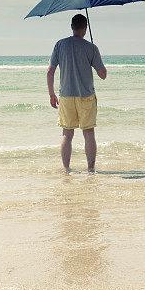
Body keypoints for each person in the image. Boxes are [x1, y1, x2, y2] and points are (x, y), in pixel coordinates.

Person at [47, 14, 107, 172]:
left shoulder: (60, 45)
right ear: (85, 29)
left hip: (66, 95)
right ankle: (91, 169)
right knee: (88, 133)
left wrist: (51, 94)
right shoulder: (91, 48)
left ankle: (66, 169)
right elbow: (103, 74)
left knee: (67, 133)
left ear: (72, 27)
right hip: (86, 95)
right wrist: (94, 54)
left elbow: (50, 71)